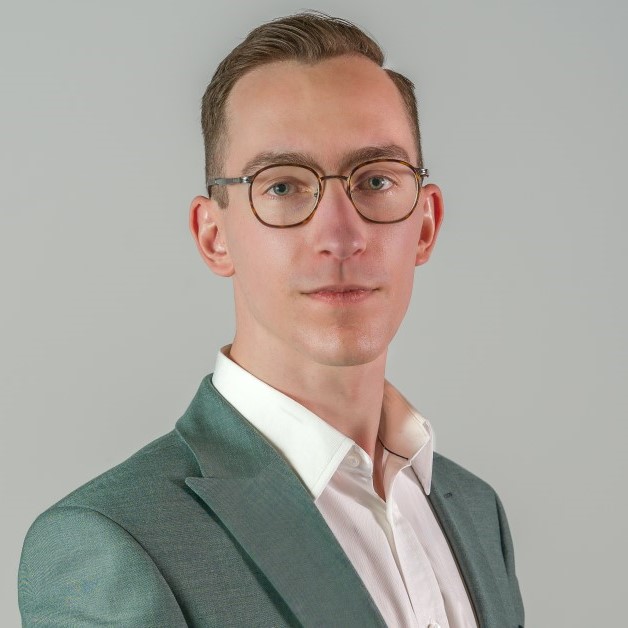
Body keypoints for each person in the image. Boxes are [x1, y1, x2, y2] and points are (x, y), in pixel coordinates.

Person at [18, 12, 524, 628]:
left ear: (426, 223)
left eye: (375, 180)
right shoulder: (113, 543)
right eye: (282, 187)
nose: (340, 235)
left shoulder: (474, 512)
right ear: (214, 236)